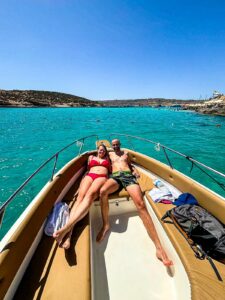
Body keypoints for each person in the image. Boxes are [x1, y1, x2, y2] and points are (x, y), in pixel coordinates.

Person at [96, 139, 173, 266]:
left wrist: (135, 170)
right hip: (115, 177)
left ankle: (159, 249)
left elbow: (130, 165)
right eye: (113, 144)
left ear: (120, 145)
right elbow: (100, 154)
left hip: (128, 177)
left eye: (117, 144)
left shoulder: (126, 154)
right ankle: (106, 225)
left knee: (141, 205)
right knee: (103, 191)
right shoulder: (109, 155)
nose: (115, 146)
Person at [53, 143, 111, 249]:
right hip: (89, 176)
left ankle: (67, 230)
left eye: (103, 150)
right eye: (100, 150)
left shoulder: (108, 158)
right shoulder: (91, 157)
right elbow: (87, 170)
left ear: (106, 152)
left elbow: (113, 168)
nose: (101, 151)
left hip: (101, 177)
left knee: (90, 195)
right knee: (79, 198)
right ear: (97, 150)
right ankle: (68, 235)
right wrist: (84, 178)